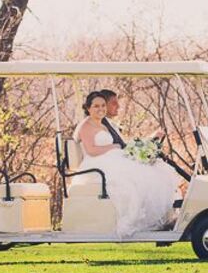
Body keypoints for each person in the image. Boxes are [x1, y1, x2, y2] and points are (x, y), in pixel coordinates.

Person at [70, 91, 179, 236]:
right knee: (133, 181)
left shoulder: (102, 125)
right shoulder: (86, 126)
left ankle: (164, 218)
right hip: (97, 165)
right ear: (88, 108)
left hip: (110, 159)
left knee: (153, 171)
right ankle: (141, 221)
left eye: (103, 105)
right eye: (96, 106)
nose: (101, 109)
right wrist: (113, 147)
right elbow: (91, 150)